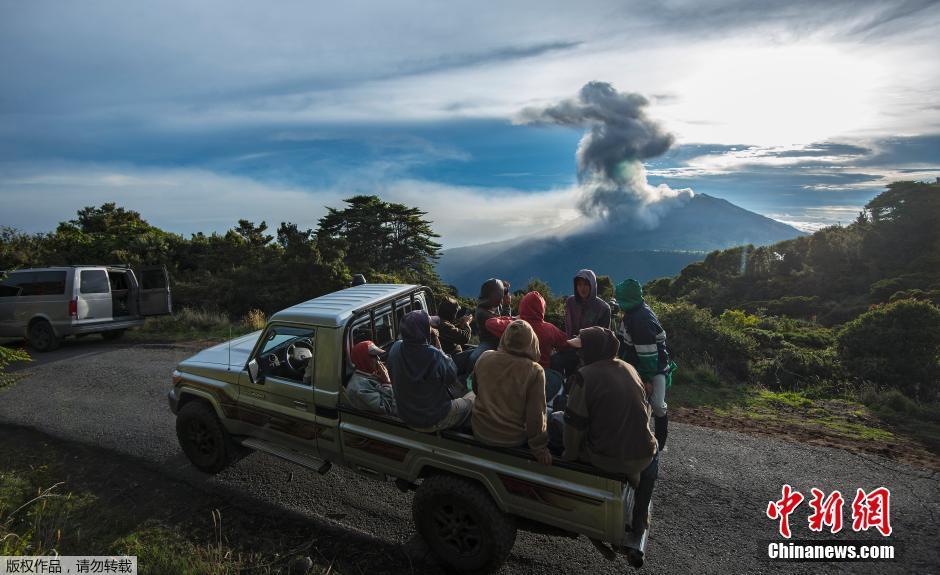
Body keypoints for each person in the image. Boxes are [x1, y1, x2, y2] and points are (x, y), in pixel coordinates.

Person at [556, 326, 658, 535]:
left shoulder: (585, 376)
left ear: (592, 351)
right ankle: (640, 516)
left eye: (581, 349)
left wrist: (569, 456)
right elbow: (644, 412)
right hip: (645, 455)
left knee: (556, 420)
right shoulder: (629, 368)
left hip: (607, 458)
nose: (577, 353)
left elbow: (574, 426)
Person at [471, 319, 552, 465]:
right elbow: (536, 415)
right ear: (532, 341)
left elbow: (476, 390)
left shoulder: (485, 356)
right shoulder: (535, 370)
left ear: (505, 337)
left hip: (480, 431)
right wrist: (540, 449)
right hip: (511, 439)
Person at [388, 310, 474, 432]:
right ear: (423, 331)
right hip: (432, 419)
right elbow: (451, 375)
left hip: (406, 414)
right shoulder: (434, 355)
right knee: (473, 399)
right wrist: (438, 346)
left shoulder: (395, 348)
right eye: (428, 326)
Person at [615, 278, 672, 451]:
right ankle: (637, 438)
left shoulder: (640, 319)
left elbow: (648, 355)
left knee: (657, 405)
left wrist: (647, 379)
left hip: (654, 367)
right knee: (635, 402)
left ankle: (659, 443)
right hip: (636, 364)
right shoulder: (633, 313)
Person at [484, 291, 569, 402]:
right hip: (540, 372)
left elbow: (490, 322)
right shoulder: (550, 329)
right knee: (557, 376)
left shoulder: (514, 327)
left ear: (522, 306)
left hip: (515, 371)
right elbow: (567, 342)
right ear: (542, 308)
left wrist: (514, 318)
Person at [554, 269, 612, 378]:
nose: (582, 288)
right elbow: (567, 326)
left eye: (586, 284)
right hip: (571, 348)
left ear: (593, 285)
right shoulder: (571, 302)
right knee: (554, 361)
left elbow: (602, 337)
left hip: (591, 353)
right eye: (579, 284)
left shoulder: (603, 308)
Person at [344, 340, 397, 416]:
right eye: (373, 356)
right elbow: (385, 408)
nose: (378, 359)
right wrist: (387, 383)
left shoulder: (370, 375)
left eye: (377, 355)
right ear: (362, 359)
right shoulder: (359, 388)